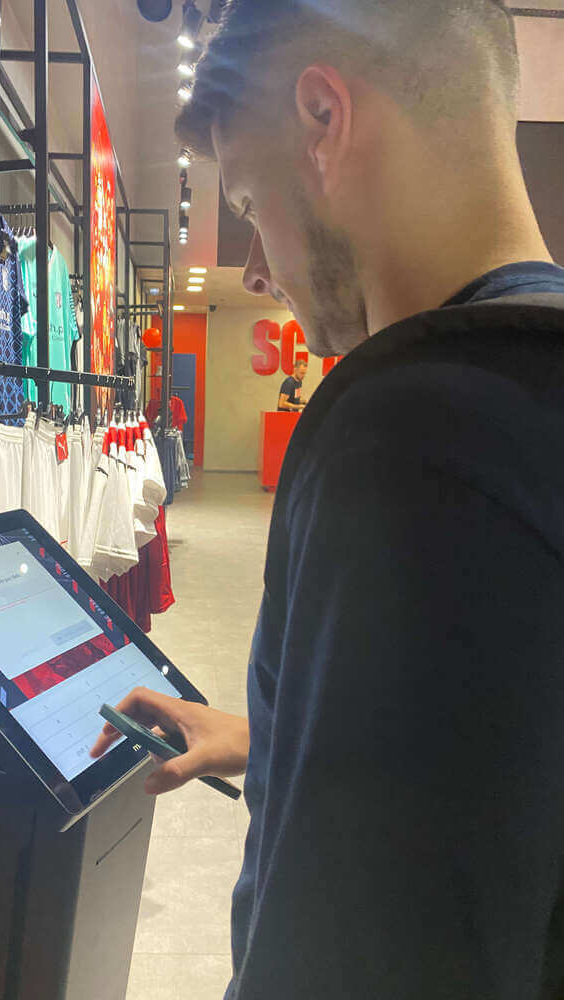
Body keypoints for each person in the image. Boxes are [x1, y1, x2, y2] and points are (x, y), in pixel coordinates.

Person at [93, 2, 564, 998]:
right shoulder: (530, 394)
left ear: (323, 115)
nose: (257, 269)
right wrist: (290, 736)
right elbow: (499, 770)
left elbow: (356, 956)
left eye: (254, 204)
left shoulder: (414, 429)